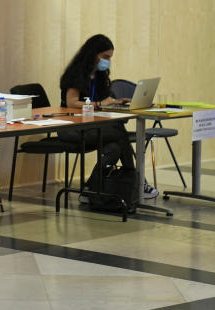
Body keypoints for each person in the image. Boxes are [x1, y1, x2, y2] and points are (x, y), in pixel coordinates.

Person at [58, 34, 158, 198]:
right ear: (93, 54)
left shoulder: (99, 75)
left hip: (92, 125)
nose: (108, 61)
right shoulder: (76, 74)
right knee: (119, 132)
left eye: (110, 57)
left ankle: (90, 188)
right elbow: (71, 103)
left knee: (115, 148)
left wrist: (116, 102)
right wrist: (99, 104)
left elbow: (103, 100)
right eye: (105, 57)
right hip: (72, 127)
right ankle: (137, 181)